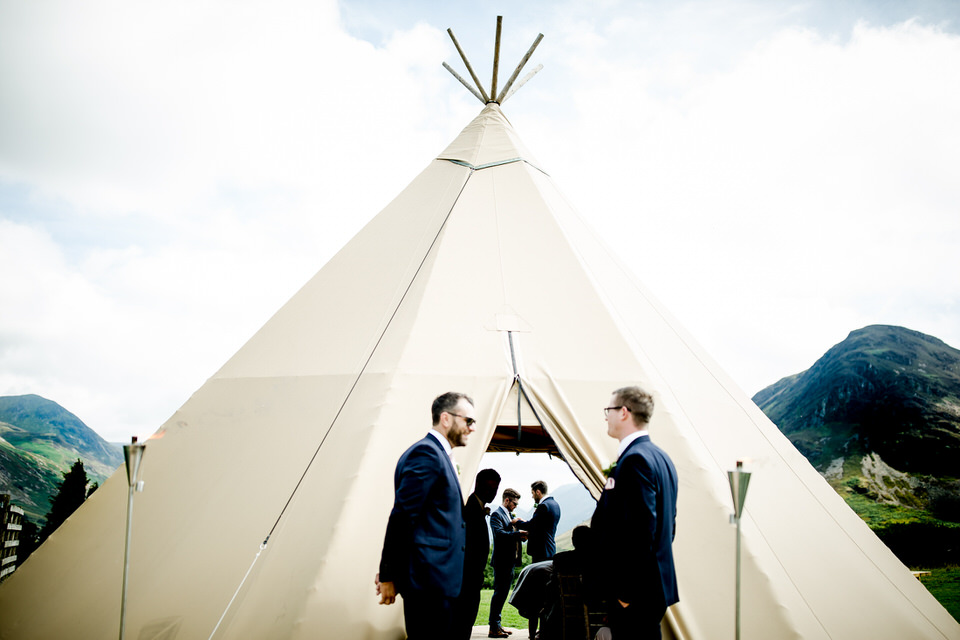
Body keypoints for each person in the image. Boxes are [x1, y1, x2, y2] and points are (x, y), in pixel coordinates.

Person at [376, 392, 477, 640]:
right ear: (446, 418)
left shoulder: (439, 455)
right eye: (468, 421)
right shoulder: (426, 454)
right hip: (428, 583)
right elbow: (402, 517)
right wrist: (388, 574)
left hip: (439, 581)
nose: (472, 428)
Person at [590, 386, 679, 639]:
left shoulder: (635, 460)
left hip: (635, 593)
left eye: (608, 410)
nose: (606, 417)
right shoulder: (662, 458)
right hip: (653, 586)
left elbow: (643, 531)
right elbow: (669, 526)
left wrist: (625, 593)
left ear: (624, 412)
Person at [453, 468, 502, 640]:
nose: (492, 493)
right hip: (467, 580)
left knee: (466, 623)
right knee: (463, 623)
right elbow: (469, 547)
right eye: (489, 488)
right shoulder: (471, 508)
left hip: (472, 579)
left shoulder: (476, 505)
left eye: (495, 489)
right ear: (478, 485)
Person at [488, 488, 527, 638]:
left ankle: (497, 624)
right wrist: (518, 534)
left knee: (503, 593)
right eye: (514, 503)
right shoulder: (496, 515)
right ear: (506, 500)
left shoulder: (509, 515)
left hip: (509, 561)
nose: (515, 506)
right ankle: (493, 627)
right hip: (501, 562)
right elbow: (499, 535)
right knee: (499, 594)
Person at [515, 480, 561, 563]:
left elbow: (532, 525)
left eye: (532, 493)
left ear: (538, 492)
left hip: (541, 551)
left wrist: (517, 522)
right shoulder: (554, 504)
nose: (532, 496)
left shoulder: (543, 506)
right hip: (549, 549)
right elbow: (541, 526)